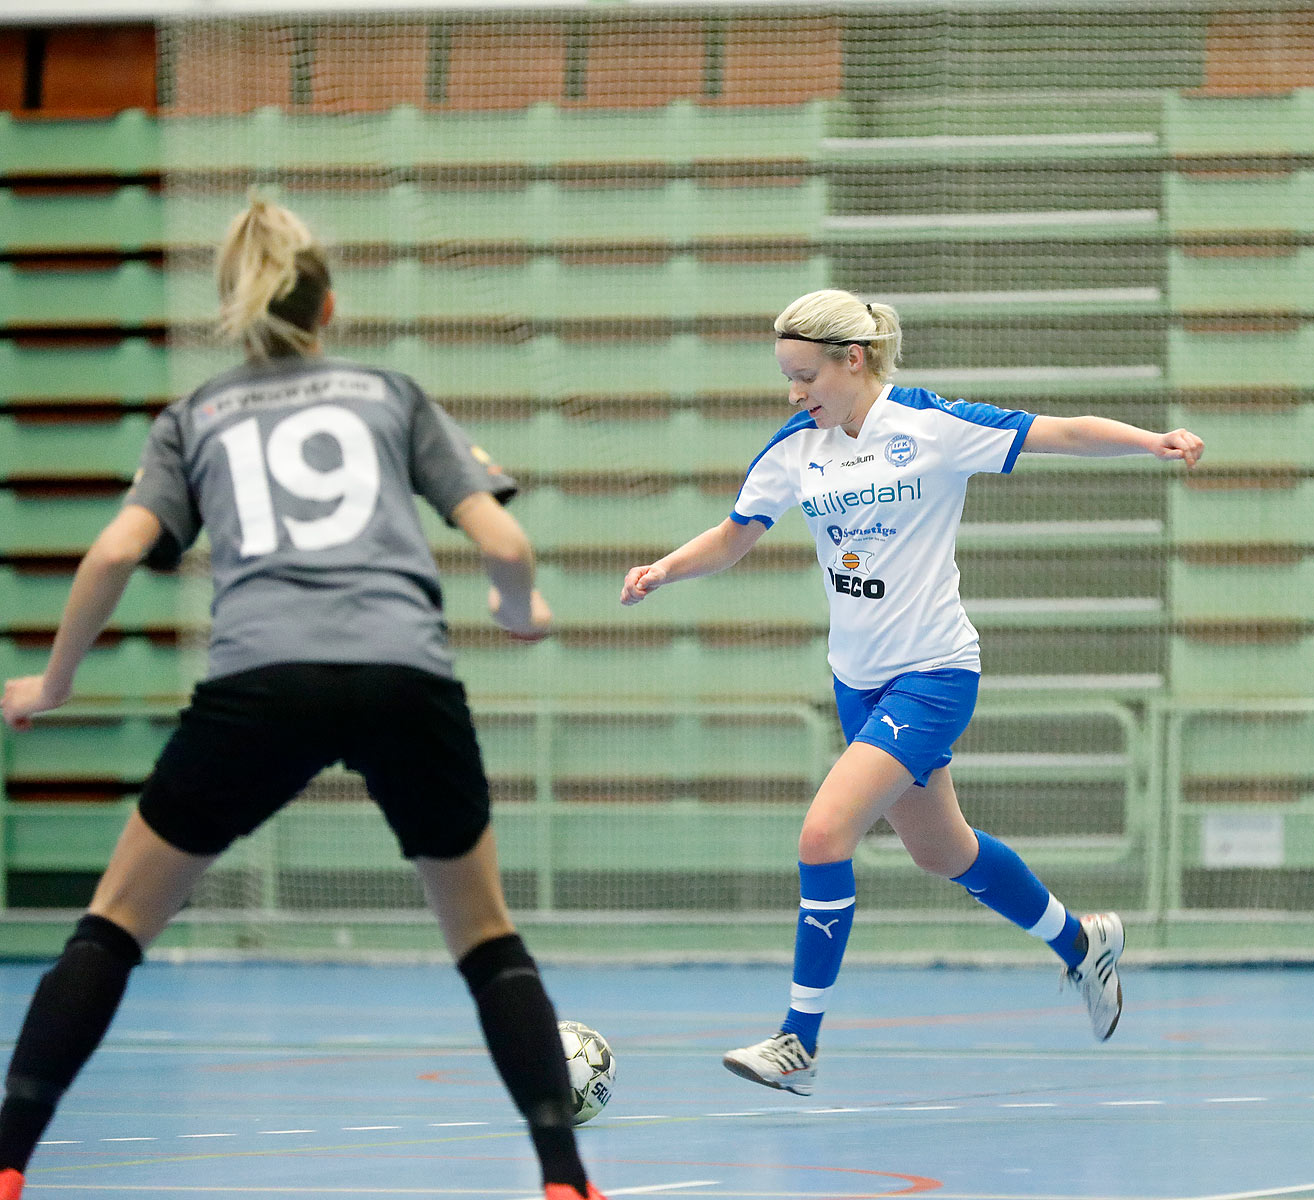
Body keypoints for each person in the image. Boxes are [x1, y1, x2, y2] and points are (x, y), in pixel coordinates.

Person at [0, 200, 604, 1200]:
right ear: (330, 307)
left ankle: (10, 1162)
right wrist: (517, 606)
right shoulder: (390, 394)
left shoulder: (193, 417)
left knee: (113, 925)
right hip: (401, 678)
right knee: (486, 938)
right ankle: (564, 1175)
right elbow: (503, 543)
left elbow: (113, 551)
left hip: (258, 682)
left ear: (238, 314)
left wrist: (52, 683)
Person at [620, 288, 1204, 1094]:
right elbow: (732, 537)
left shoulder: (931, 427)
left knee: (824, 837)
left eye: (803, 376)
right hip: (856, 685)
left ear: (851, 360)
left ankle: (799, 1042)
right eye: (786, 380)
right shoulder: (796, 449)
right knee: (944, 851)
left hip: (932, 675)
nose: (794, 393)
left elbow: (1057, 432)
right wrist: (663, 570)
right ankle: (1081, 943)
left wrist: (1153, 442)